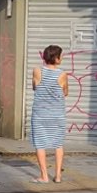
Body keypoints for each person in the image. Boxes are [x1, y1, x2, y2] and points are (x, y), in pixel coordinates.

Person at [30, 44, 69, 183]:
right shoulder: (62, 74)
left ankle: (44, 176)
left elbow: (35, 87)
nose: (62, 58)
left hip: (40, 114)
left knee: (40, 144)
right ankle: (58, 176)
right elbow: (65, 92)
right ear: (56, 58)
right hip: (57, 114)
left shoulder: (37, 71)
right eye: (61, 55)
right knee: (58, 144)